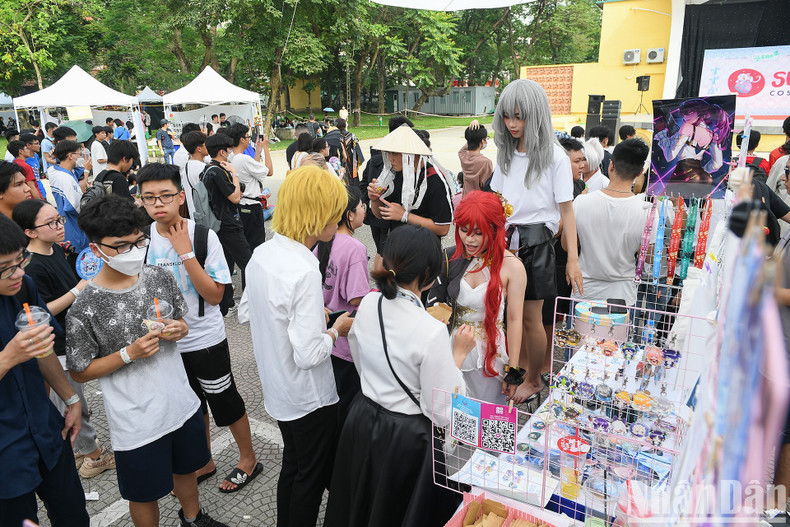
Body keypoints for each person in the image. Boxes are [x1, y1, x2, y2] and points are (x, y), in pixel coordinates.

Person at [66, 195, 229, 527]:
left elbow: (181, 323)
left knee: (186, 469)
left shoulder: (157, 276)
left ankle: (193, 518)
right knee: (143, 493)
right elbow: (80, 371)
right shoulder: (85, 306)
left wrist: (179, 329)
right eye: (121, 246)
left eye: (139, 241)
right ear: (96, 250)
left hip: (180, 403)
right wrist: (128, 354)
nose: (134, 251)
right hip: (136, 421)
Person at [324, 225, 477, 527]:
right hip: (404, 438)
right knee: (394, 511)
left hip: (362, 418)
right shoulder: (431, 330)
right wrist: (457, 354)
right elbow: (441, 407)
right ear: (430, 275)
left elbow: (358, 355)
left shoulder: (368, 303)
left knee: (361, 502)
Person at [239, 165, 353, 527]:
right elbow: (309, 354)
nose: (338, 222)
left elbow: (248, 311)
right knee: (310, 477)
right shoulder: (304, 269)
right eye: (334, 215)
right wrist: (336, 330)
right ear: (317, 215)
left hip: (278, 389)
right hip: (308, 398)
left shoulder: (264, 254)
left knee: (294, 467)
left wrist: (306, 314)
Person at [137, 163, 261, 494]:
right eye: (149, 197)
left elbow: (215, 294)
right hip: (167, 345)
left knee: (225, 402)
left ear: (180, 197)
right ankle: (203, 460)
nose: (158, 204)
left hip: (204, 340)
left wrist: (185, 253)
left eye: (165, 195)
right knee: (190, 406)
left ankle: (248, 459)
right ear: (141, 201)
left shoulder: (203, 236)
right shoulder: (141, 241)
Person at [489, 79, 583, 402]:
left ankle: (534, 378)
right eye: (507, 117)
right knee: (505, 316)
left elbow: (567, 212)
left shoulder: (555, 158)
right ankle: (513, 373)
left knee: (532, 318)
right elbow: (496, 201)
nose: (513, 124)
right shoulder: (504, 154)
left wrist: (572, 259)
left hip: (537, 242)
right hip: (505, 240)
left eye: (520, 116)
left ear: (536, 114)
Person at [11, 199, 115, 478]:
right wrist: (80, 290)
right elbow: (43, 313)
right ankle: (94, 457)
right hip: (56, 348)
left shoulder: (55, 249)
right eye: (52, 223)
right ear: (30, 232)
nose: (60, 226)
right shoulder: (30, 269)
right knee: (72, 403)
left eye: (59, 219)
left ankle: (83, 449)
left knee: (72, 400)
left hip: (72, 337)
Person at [0, 214, 90, 527]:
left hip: (48, 431)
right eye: (5, 268)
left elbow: (43, 350)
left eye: (20, 260)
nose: (16, 273)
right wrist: (8, 357)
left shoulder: (23, 286)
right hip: (5, 455)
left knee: (74, 516)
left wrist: (71, 400)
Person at [428, 191, 529, 404]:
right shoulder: (449, 258)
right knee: (451, 414)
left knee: (489, 419)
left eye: (478, 233)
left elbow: (515, 319)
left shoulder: (513, 267)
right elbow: (435, 308)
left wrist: (514, 369)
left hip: (493, 355)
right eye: (464, 230)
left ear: (495, 230)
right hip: (453, 349)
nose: (469, 239)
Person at [313, 186, 370, 421]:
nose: (364, 210)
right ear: (348, 215)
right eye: (361, 207)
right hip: (345, 339)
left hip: (325, 334)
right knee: (347, 406)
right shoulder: (355, 249)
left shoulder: (321, 239)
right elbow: (357, 298)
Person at [573, 138, 652, 305]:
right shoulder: (647, 211)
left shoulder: (581, 202)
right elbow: (648, 255)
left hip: (584, 291)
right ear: (639, 173)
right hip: (622, 296)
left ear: (611, 165)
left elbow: (568, 245)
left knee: (578, 332)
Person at [367, 124, 454, 263]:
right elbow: (380, 214)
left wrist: (405, 216)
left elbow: (443, 228)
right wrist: (375, 199)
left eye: (395, 153)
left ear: (412, 153)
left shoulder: (434, 181)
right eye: (389, 153)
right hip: (398, 252)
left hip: (423, 255)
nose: (390, 158)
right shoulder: (395, 175)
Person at [203, 134, 251, 293]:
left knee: (225, 264)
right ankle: (251, 297)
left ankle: (227, 300)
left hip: (217, 222)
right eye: (229, 149)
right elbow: (235, 198)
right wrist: (234, 174)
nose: (231, 152)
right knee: (248, 263)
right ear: (222, 152)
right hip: (228, 223)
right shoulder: (217, 171)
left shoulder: (207, 169)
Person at [360, 116, 414, 255]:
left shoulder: (407, 164)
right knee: (383, 253)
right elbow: (364, 184)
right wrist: (369, 201)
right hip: (379, 219)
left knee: (390, 257)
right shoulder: (377, 161)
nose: (392, 158)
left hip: (395, 221)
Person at [228, 123, 273, 251]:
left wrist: (258, 151)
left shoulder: (232, 157)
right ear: (242, 139)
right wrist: (266, 148)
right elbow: (269, 171)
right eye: (248, 137)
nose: (249, 140)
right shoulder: (243, 159)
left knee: (248, 243)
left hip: (242, 206)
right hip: (252, 207)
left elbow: (254, 170)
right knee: (257, 244)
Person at [47, 141, 89, 252]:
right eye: (79, 154)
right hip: (75, 229)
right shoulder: (66, 178)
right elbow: (74, 206)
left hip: (64, 225)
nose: (81, 157)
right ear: (70, 156)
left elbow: (76, 170)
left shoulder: (53, 170)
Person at [458, 120, 493, 196]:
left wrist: (473, 133)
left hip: (465, 198)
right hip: (478, 200)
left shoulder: (463, 155)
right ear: (482, 141)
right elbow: (487, 186)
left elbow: (464, 147)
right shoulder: (486, 162)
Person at [181, 131, 209, 217]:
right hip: (207, 215)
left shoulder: (186, 166)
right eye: (206, 144)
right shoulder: (203, 168)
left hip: (194, 213)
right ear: (199, 148)